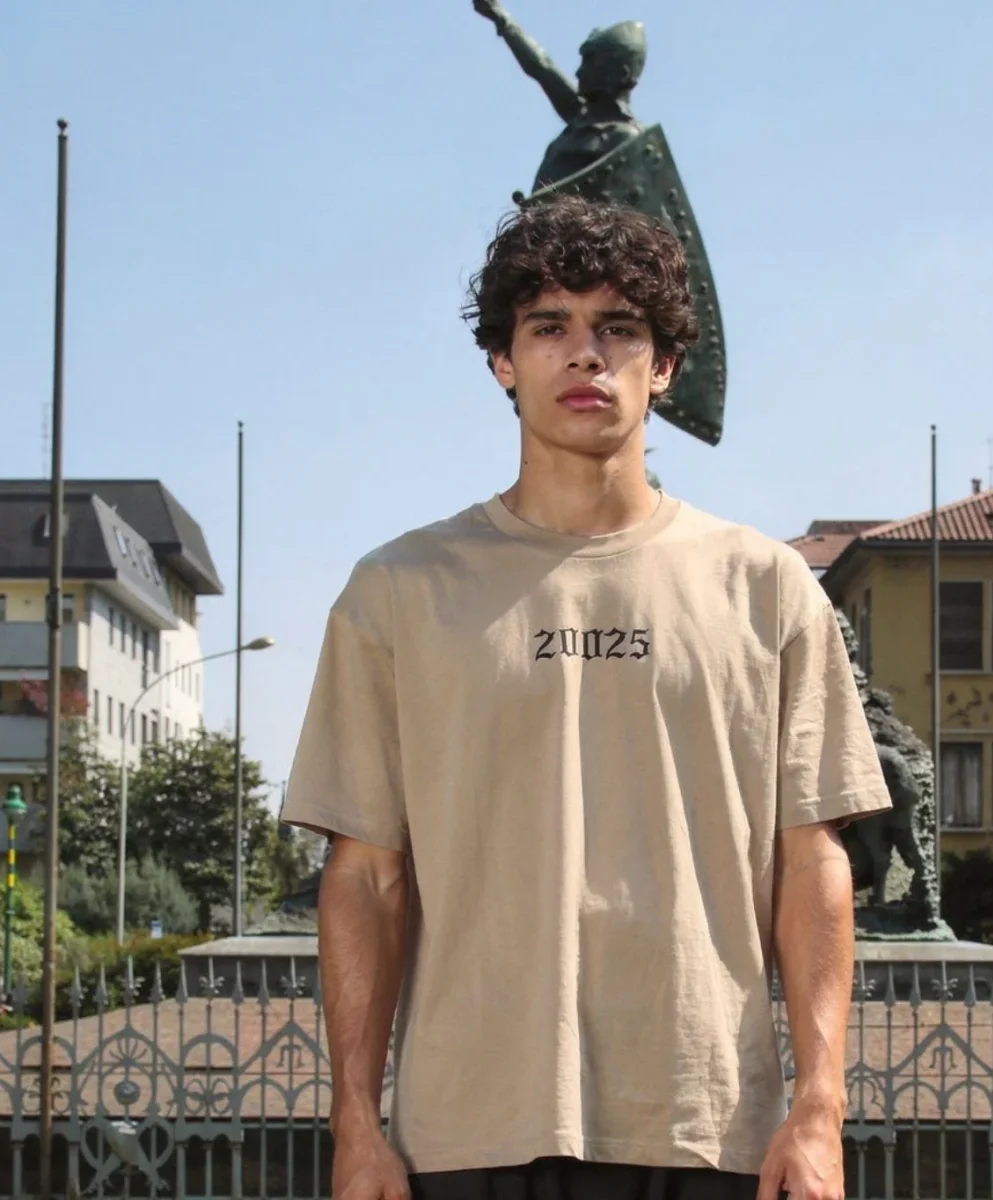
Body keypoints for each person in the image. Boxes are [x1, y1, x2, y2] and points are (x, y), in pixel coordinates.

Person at [282, 194, 892, 1200]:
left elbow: (811, 861)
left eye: (618, 328)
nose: (585, 355)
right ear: (502, 361)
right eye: (548, 326)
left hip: (705, 1128)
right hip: (463, 1134)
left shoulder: (766, 585)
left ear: (665, 366)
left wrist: (819, 1109)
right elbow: (366, 880)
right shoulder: (399, 590)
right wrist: (355, 1122)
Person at [472, 0, 645, 190]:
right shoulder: (580, 117)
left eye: (591, 63)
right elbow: (542, 66)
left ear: (621, 74)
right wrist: (501, 17)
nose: (578, 73)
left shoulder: (626, 140)